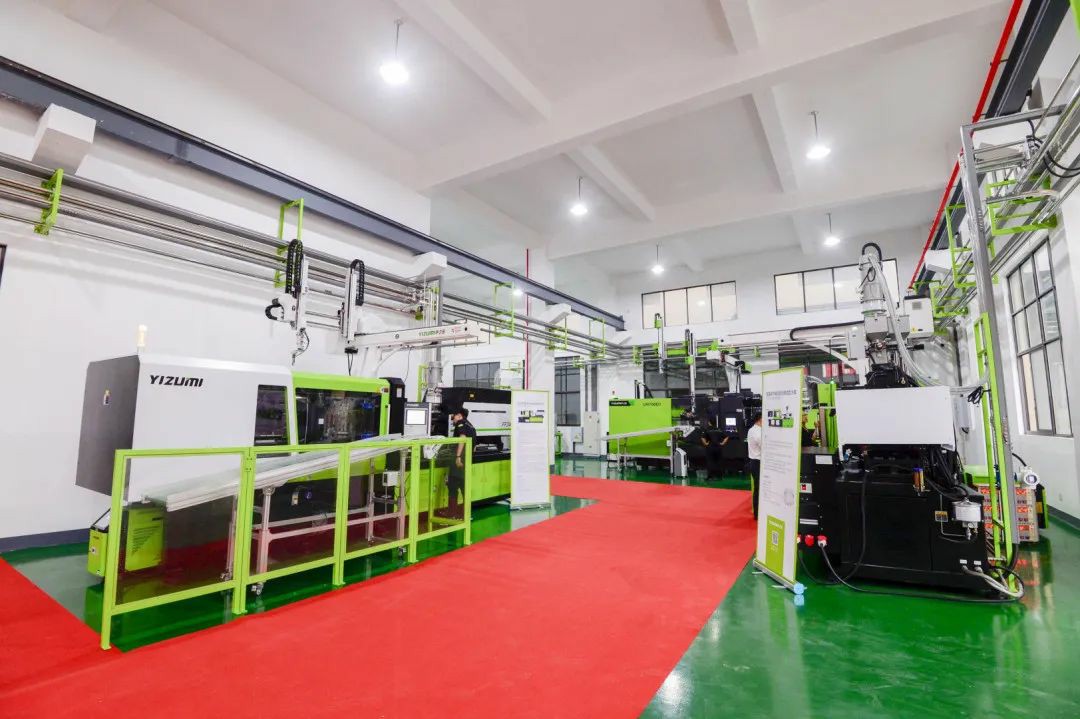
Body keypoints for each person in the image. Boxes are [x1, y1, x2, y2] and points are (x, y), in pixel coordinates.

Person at [443, 407, 476, 518]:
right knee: (464, 486)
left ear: (460, 415)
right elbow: (474, 446)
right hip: (466, 461)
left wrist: (458, 456)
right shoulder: (471, 426)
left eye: (454, 416)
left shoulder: (460, 423)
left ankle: (451, 514)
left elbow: (462, 437)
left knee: (452, 486)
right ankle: (466, 514)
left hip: (458, 461)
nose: (452, 419)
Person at [746, 413, 763, 519]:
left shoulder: (752, 430)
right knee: (759, 489)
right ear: (760, 419)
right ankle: (757, 514)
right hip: (758, 463)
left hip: (754, 462)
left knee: (758, 489)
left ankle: (758, 513)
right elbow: (764, 446)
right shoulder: (757, 431)